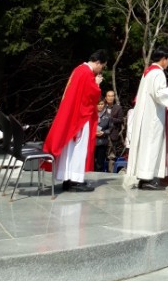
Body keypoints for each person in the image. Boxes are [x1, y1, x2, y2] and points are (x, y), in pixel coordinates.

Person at [43, 50, 107, 192]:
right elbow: (91, 96)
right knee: (78, 148)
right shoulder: (87, 73)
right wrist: (97, 84)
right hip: (80, 118)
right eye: (102, 66)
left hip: (73, 115)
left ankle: (67, 178)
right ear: (98, 63)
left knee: (70, 150)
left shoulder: (78, 69)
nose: (101, 70)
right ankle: (75, 180)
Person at [125, 48, 168, 190]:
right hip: (153, 116)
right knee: (151, 145)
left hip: (146, 114)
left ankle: (143, 177)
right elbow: (159, 94)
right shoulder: (158, 73)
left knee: (147, 145)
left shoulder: (148, 72)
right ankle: (147, 179)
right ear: (164, 59)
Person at [102, 89, 125, 172]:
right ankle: (99, 172)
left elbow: (121, 120)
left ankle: (110, 173)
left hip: (113, 134)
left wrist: (110, 119)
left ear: (114, 97)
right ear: (106, 97)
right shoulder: (102, 106)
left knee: (111, 155)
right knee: (100, 154)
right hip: (102, 134)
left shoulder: (118, 108)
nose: (110, 98)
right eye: (109, 96)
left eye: (112, 96)